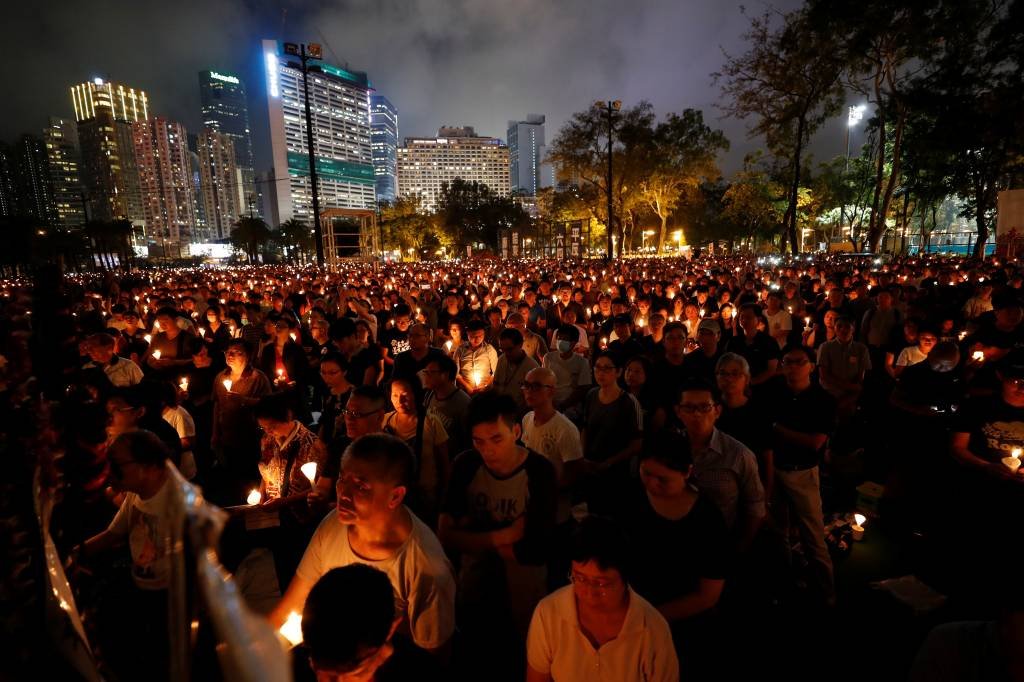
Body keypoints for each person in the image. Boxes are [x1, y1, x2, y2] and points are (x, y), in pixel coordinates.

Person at [271, 434, 457, 657]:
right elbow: (291, 605)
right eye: (342, 479)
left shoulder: (425, 565)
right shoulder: (333, 525)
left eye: (361, 486)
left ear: (395, 496)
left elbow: (434, 657)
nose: (343, 494)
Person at [439, 393, 557, 676]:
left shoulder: (539, 472)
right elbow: (444, 535)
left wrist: (472, 538)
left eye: (496, 439)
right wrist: (506, 535)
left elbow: (535, 550)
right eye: (478, 441)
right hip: (473, 585)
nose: (487, 450)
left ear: (516, 431)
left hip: (524, 589)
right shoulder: (466, 465)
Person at [616, 430, 730, 676]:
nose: (653, 484)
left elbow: (707, 595)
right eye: (647, 473)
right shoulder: (629, 498)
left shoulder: (707, 519)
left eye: (664, 479)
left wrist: (650, 619)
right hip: (629, 618)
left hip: (686, 626)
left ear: (687, 473)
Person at [67, 431, 175, 680]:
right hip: (143, 587)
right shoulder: (137, 494)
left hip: (168, 598)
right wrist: (74, 553)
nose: (109, 473)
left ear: (147, 465)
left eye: (116, 465)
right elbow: (113, 533)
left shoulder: (178, 502)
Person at [525, 515, 679, 682]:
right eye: (580, 578)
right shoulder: (548, 613)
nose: (589, 593)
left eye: (601, 583)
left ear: (624, 579)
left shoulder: (652, 630)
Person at [764, 345, 837, 606]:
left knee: (812, 534)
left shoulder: (824, 400)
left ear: (811, 366)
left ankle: (826, 592)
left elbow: (815, 442)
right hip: (775, 469)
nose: (792, 367)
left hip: (803, 473)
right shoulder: (774, 392)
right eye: (787, 361)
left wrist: (777, 428)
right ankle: (785, 581)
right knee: (777, 531)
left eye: (799, 362)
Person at [293, 564, 443, 682]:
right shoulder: (287, 670)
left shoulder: (421, 673)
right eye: (318, 669)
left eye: (354, 672)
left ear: (391, 629)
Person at [672, 380, 766, 552]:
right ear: (678, 411)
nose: (697, 414)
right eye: (689, 408)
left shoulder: (738, 455)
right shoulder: (667, 449)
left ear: (717, 411)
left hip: (722, 544)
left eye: (704, 407)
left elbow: (756, 506)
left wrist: (740, 548)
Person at [580, 352, 643, 515]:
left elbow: (636, 444)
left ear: (618, 372)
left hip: (617, 471)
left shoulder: (628, 402)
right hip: (591, 466)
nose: (601, 373)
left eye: (607, 368)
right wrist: (583, 457)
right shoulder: (591, 395)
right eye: (598, 368)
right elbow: (585, 428)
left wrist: (609, 463)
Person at [212, 339, 273, 503]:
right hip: (227, 436)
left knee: (250, 478)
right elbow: (217, 405)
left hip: (251, 437)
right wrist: (215, 433)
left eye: (237, 353)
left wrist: (244, 400)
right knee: (231, 478)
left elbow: (268, 404)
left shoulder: (258, 378)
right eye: (229, 352)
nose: (231, 356)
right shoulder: (220, 377)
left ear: (248, 357)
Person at [382, 376, 450, 521]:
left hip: (425, 499)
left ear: (416, 394)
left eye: (405, 395)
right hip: (391, 497)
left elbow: (444, 464)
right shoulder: (384, 421)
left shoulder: (431, 422)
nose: (399, 401)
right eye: (395, 395)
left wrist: (443, 498)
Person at [715, 353, 774, 497]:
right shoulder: (711, 410)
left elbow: (767, 453)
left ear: (746, 379)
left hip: (751, 478)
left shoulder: (758, 411)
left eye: (735, 374)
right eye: (723, 373)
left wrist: (768, 488)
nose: (728, 379)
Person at [816, 315, 872, 418]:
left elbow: (861, 375)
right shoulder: (825, 347)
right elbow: (824, 375)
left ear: (853, 328)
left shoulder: (861, 349)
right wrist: (851, 387)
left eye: (847, 326)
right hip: (829, 391)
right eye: (839, 326)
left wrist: (854, 391)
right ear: (835, 328)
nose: (843, 329)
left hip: (851, 392)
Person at [421, 355, 471, 456]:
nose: (426, 376)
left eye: (431, 372)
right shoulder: (430, 394)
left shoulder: (463, 403)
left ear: (446, 375)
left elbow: (468, 441)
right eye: (425, 372)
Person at [725, 303, 780, 387]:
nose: (744, 320)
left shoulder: (768, 342)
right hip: (736, 385)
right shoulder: (734, 341)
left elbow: (771, 369)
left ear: (758, 319)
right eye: (742, 317)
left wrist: (751, 382)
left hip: (762, 387)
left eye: (748, 317)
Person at [542, 324, 592, 415]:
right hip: (549, 404)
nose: (560, 342)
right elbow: (543, 381)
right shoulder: (548, 358)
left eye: (565, 339)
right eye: (559, 339)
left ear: (574, 342)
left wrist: (563, 405)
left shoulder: (582, 362)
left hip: (571, 408)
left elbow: (583, 388)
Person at [492, 327, 539, 412]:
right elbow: (496, 384)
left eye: (509, 350)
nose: (506, 354)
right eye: (503, 350)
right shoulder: (502, 359)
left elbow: (533, 401)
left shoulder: (532, 368)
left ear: (520, 345)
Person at [454, 319, 499, 394]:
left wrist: (486, 385)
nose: (477, 339)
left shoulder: (489, 350)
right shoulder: (460, 350)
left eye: (480, 336)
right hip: (465, 390)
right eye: (473, 336)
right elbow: (455, 373)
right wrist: (467, 386)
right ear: (467, 334)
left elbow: (496, 372)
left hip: (486, 391)